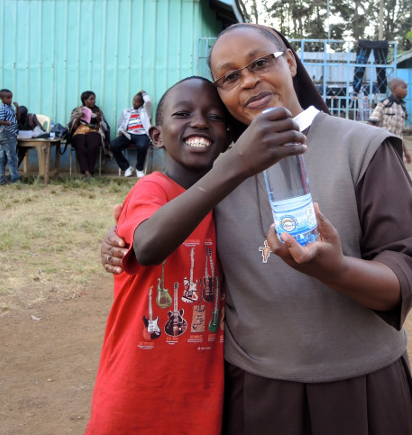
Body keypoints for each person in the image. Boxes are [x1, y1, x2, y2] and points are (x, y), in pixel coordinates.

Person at [101, 23, 412, 435]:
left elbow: (408, 271)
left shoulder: (363, 148)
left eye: (260, 62)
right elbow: (159, 226)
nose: (249, 80)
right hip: (254, 391)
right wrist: (117, 241)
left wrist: (335, 270)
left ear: (290, 61)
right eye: (229, 77)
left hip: (359, 386)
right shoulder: (219, 170)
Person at [89, 76, 290, 434]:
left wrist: (273, 245)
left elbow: (258, 260)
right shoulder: (152, 189)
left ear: (228, 136)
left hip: (200, 395)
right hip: (134, 389)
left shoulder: (234, 202)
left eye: (214, 117)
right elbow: (148, 246)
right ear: (156, 135)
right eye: (183, 113)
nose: (199, 122)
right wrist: (233, 167)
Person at [68, 91, 111, 181]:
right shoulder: (77, 110)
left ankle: (90, 171)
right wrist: (79, 118)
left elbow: (104, 125)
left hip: (94, 130)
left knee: (93, 145)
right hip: (80, 130)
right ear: (85, 100)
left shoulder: (98, 110)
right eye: (91, 99)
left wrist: (99, 120)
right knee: (80, 146)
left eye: (94, 99)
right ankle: (86, 172)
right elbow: (71, 125)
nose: (93, 101)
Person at [368, 77, 411, 163]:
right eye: (403, 88)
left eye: (406, 88)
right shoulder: (384, 104)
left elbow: (399, 134)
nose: (406, 90)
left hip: (397, 148)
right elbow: (370, 123)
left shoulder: (403, 107)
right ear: (394, 89)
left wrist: (405, 152)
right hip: (382, 146)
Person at [111, 90, 153, 178]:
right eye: (134, 101)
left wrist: (144, 93)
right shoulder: (126, 111)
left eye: (137, 101)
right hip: (128, 134)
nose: (134, 103)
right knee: (113, 145)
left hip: (142, 135)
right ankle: (126, 168)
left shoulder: (146, 111)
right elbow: (120, 124)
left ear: (142, 102)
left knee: (142, 146)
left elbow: (148, 101)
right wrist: (120, 130)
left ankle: (139, 169)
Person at [0, 89, 20, 185]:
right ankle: (14, 179)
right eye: (8, 98)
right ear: (2, 98)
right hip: (6, 135)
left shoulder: (10, 107)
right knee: (12, 157)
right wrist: (6, 123)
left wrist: (17, 108)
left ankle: (0, 180)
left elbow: (17, 119)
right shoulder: (3, 108)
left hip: (10, 134)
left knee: (2, 158)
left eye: (11, 97)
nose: (10, 100)